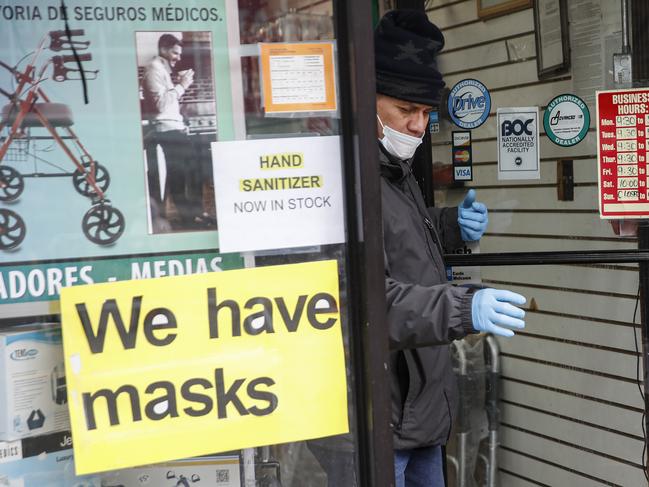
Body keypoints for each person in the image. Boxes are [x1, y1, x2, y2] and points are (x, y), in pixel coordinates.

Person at [374, 10, 527, 487]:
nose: (419, 126)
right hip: (387, 413)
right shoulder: (352, 180)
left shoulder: (395, 172)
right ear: (365, 99)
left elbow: (402, 247)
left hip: (420, 410)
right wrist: (463, 307)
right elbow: (367, 299)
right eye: (405, 110)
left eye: (426, 113)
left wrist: (449, 227)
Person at [141, 33, 203, 230]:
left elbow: (167, 102)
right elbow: (160, 105)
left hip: (174, 129)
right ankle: (188, 219)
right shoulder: (153, 70)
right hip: (166, 132)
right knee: (179, 177)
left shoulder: (162, 70)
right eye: (175, 53)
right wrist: (182, 85)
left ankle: (193, 215)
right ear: (163, 50)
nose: (178, 57)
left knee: (190, 173)